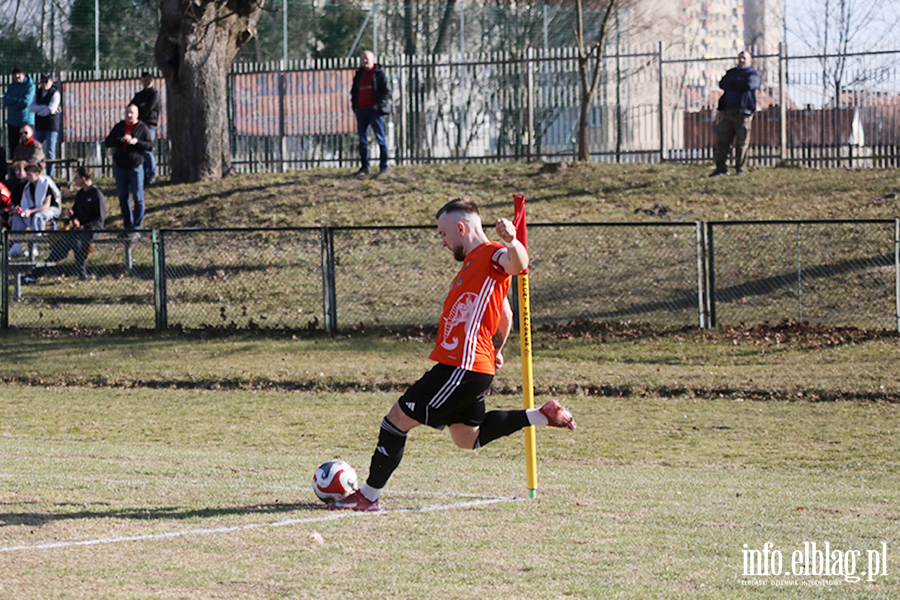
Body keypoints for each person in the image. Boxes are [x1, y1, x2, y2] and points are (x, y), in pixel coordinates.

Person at [328, 198, 576, 512]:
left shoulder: (492, 254)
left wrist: (513, 241)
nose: (443, 242)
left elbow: (518, 264)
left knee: (395, 421)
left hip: (461, 366)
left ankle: (368, 496)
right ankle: (542, 414)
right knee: (466, 438)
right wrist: (496, 350)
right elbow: (506, 315)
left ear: (461, 228)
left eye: (444, 234)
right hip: (473, 367)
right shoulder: (473, 267)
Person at [24, 166, 106, 283]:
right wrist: (72, 215)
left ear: (83, 178)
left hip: (92, 230)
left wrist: (84, 227)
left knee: (77, 242)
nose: (74, 180)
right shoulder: (80, 194)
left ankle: (82, 274)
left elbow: (99, 219)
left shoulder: (96, 194)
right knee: (59, 249)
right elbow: (76, 214)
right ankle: (35, 274)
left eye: (76, 178)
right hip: (77, 231)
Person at [105, 103, 152, 238]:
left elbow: (149, 146)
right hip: (121, 167)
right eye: (127, 113)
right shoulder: (119, 127)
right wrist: (120, 140)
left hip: (135, 167)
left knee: (138, 197)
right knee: (123, 198)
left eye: (132, 113)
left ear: (137, 114)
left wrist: (137, 142)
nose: (129, 115)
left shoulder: (142, 128)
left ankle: (136, 227)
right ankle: (128, 227)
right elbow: (108, 142)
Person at [710, 50, 760, 177]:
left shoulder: (752, 73)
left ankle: (740, 168)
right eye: (740, 57)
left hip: (743, 112)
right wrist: (738, 82)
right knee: (722, 141)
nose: (741, 60)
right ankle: (721, 168)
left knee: (742, 142)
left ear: (750, 60)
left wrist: (734, 83)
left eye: (744, 58)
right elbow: (723, 84)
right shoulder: (731, 73)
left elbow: (750, 84)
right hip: (727, 111)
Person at [350, 50, 392, 178]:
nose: (365, 61)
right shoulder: (359, 74)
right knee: (362, 140)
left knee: (380, 139)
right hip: (361, 111)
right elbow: (354, 91)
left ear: (373, 60)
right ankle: (365, 167)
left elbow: (387, 91)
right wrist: (355, 106)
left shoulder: (379, 73)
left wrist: (378, 105)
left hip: (375, 111)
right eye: (363, 59)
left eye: (367, 59)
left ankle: (383, 167)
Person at [8, 162, 61, 259]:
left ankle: (34, 246)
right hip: (35, 210)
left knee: (38, 216)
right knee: (17, 218)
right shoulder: (29, 186)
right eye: (27, 174)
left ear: (37, 174)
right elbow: (29, 204)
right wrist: (22, 211)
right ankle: (17, 245)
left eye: (30, 175)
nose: (28, 177)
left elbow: (45, 207)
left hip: (52, 210)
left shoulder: (45, 184)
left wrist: (30, 212)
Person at [130, 72, 161, 185]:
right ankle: (142, 174)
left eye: (147, 80)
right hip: (139, 125)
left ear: (151, 81)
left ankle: (151, 174)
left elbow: (149, 107)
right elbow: (132, 106)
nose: (145, 82)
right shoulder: (139, 95)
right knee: (139, 148)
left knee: (147, 149)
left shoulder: (155, 94)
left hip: (149, 124)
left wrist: (140, 108)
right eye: (143, 80)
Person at [28, 73, 62, 178]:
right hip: (39, 126)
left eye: (46, 81)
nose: (44, 84)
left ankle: (49, 175)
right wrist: (43, 108)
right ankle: (36, 173)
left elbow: (51, 109)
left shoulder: (55, 93)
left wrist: (40, 111)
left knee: (50, 151)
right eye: (42, 81)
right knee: (35, 150)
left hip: (51, 126)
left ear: (51, 82)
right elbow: (31, 108)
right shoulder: (37, 93)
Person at [3, 67, 35, 156]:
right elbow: (5, 101)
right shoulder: (11, 86)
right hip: (12, 121)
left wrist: (12, 102)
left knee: (27, 147)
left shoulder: (30, 86)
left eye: (19, 74)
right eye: (15, 74)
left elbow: (25, 103)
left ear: (23, 74)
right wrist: (17, 100)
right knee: (13, 149)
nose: (17, 76)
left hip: (26, 122)